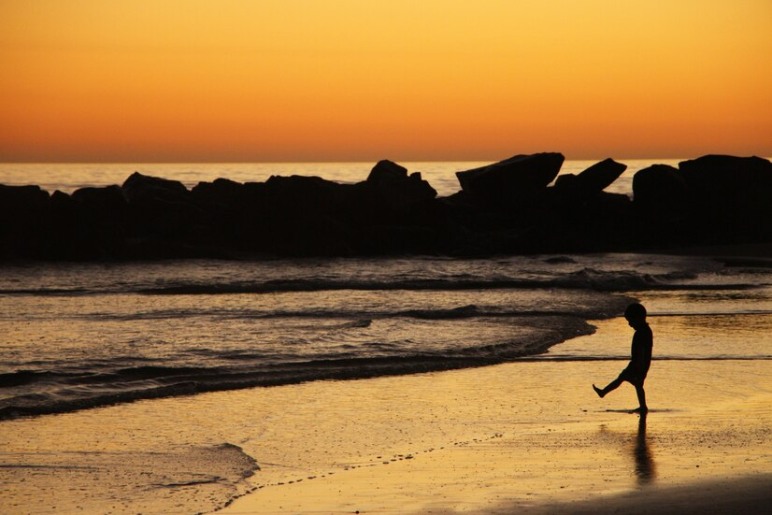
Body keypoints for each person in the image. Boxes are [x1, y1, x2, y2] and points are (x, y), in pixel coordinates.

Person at [593, 302, 653, 412]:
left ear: (638, 318)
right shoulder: (645, 331)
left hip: (637, 363)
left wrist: (639, 365)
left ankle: (603, 392)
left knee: (623, 379)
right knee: (636, 384)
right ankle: (643, 406)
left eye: (631, 321)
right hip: (641, 363)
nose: (630, 324)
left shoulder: (641, 333)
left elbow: (642, 351)